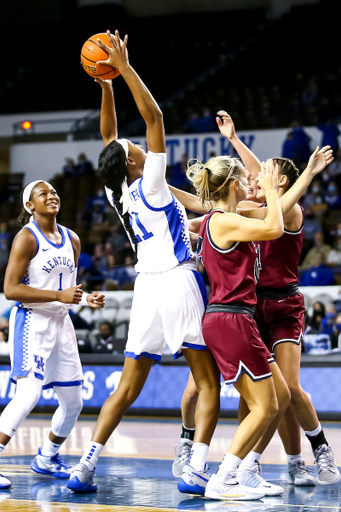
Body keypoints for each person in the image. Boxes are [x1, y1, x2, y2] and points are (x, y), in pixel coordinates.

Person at [67, 30, 221, 496]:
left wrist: (107, 85)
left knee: (127, 387)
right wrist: (126, 66)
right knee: (207, 380)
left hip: (145, 290)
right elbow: (153, 114)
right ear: (136, 162)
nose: (137, 145)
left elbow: (109, 137)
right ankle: (195, 469)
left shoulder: (118, 190)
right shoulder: (152, 181)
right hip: (177, 281)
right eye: (136, 148)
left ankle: (85, 465)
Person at [171, 111, 338, 487]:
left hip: (279, 304)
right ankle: (242, 465)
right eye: (249, 177)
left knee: (285, 390)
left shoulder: (286, 209)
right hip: (243, 308)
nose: (254, 176)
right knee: (246, 394)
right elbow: (207, 199)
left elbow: (267, 198)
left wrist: (307, 174)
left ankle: (309, 452)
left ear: (277, 181)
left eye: (263, 173)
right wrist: (161, 190)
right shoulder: (241, 211)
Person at [178, 153, 292, 501]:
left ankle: (245, 470)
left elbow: (277, 218)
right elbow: (275, 227)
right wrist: (272, 190)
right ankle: (225, 477)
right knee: (266, 407)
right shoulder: (223, 221)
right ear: (232, 184)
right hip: (231, 318)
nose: (250, 183)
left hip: (237, 317)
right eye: (246, 178)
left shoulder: (225, 218)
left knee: (281, 397)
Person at [0, 180, 105, 490]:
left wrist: (86, 299)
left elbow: (68, 289)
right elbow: (10, 289)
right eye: (43, 193)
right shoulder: (26, 238)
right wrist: (60, 296)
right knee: (29, 394)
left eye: (55, 192)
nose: (52, 196)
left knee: (74, 402)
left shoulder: (72, 238)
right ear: (29, 205)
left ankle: (47, 457)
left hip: (62, 323)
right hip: (32, 321)